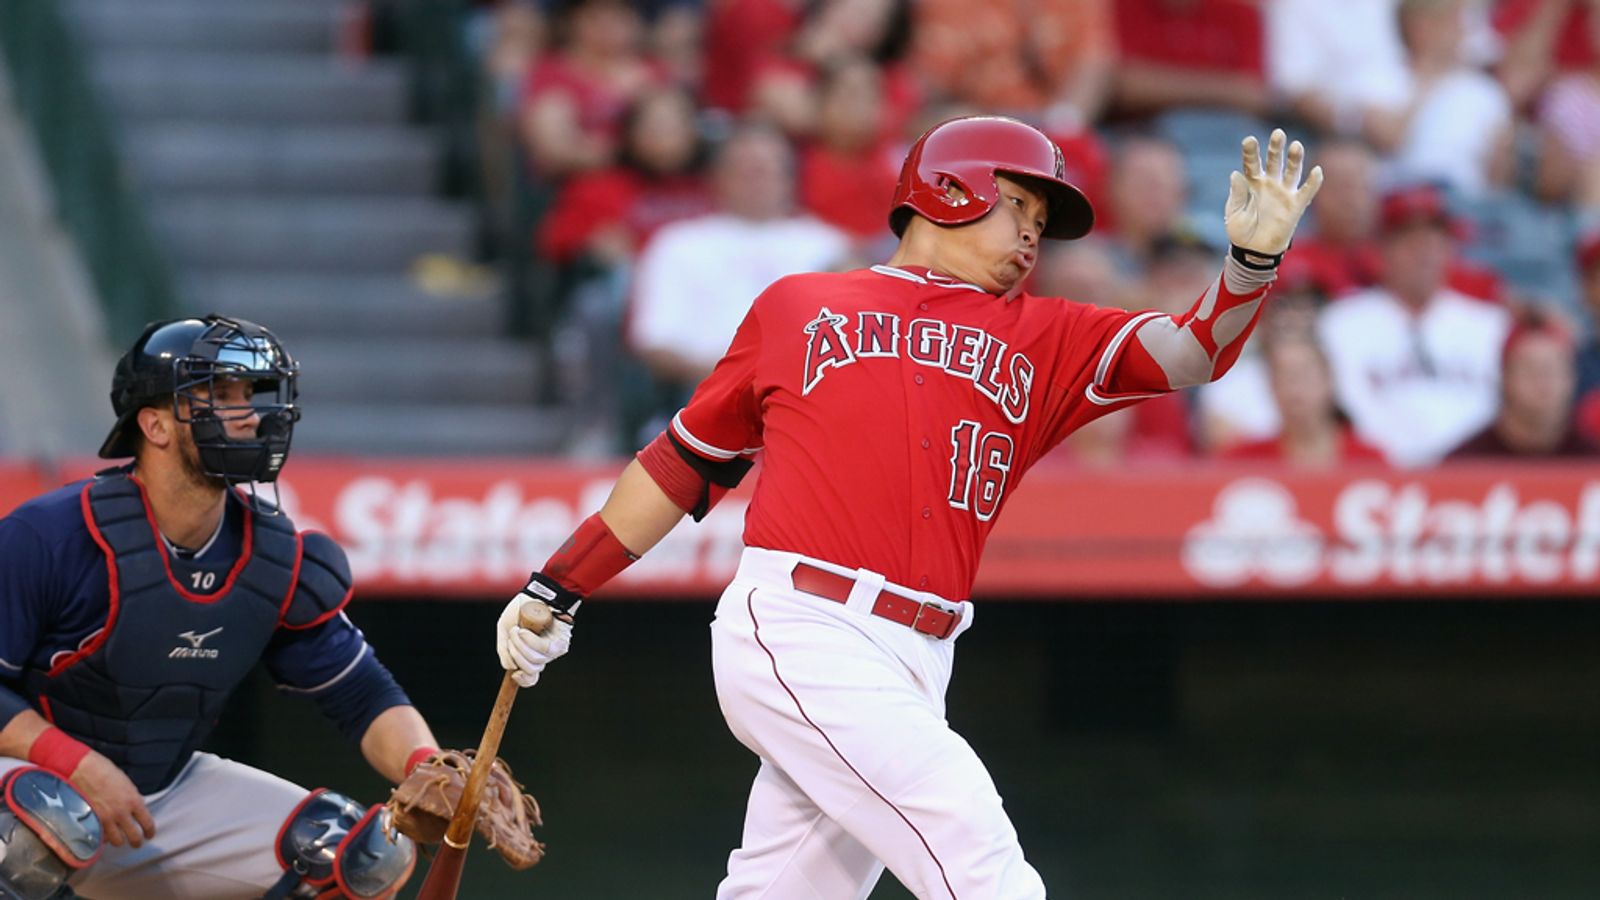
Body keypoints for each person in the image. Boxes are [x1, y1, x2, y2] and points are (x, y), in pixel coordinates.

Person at [493, 116, 1321, 898]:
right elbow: (681, 462)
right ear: (949, 188)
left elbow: (1193, 349)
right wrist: (556, 585)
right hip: (804, 622)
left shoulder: (1046, 335)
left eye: (1043, 218)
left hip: (921, 656)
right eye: (1021, 205)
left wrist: (1248, 267)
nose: (1035, 233)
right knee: (977, 855)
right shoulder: (801, 305)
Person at [0, 316, 438, 899]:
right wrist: (75, 764)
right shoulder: (48, 535)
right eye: (220, 395)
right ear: (154, 425)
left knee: (360, 858)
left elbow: (361, 692)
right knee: (39, 825)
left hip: (159, 796)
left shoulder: (275, 554)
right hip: (37, 785)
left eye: (248, 397)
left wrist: (430, 768)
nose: (250, 413)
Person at [1318, 184, 1512, 467]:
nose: (1424, 253)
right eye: (1410, 241)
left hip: (1476, 476)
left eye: (1435, 241)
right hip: (1375, 474)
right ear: (1382, 250)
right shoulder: (1339, 323)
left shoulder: (1491, 324)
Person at [1446, 310, 1598, 458]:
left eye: (1553, 370)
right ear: (1505, 378)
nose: (1543, 382)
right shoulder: (1465, 464)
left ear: (1572, 378)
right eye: (1530, 370)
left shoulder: (1592, 463)